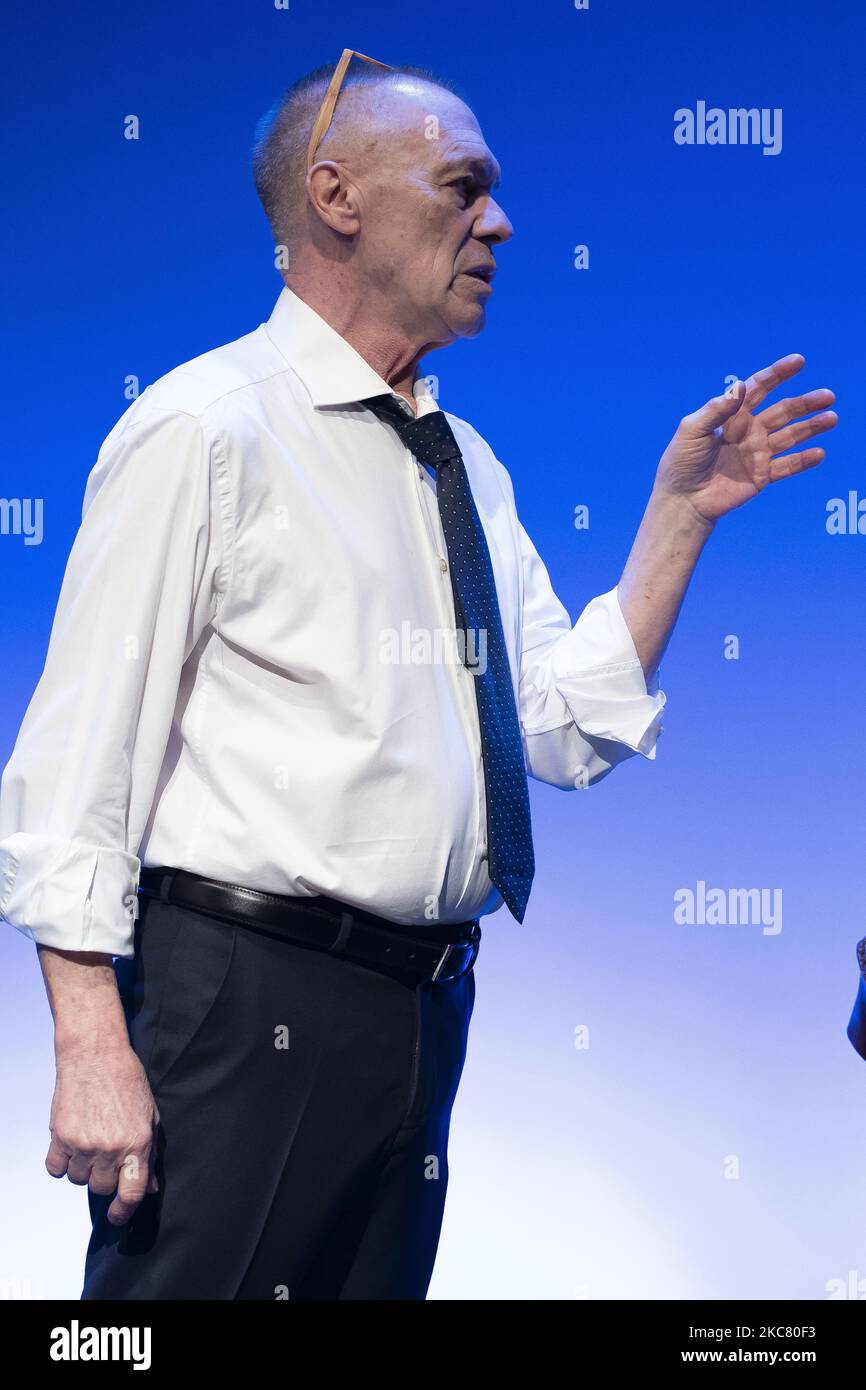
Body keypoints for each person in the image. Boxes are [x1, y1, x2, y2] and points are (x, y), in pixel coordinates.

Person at [0, 54, 838, 1300]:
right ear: (335, 199)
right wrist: (89, 1044)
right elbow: (73, 765)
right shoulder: (205, 429)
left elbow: (557, 728)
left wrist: (678, 518)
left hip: (422, 1006)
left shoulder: (464, 467)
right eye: (463, 187)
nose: (498, 222)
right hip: (241, 1004)